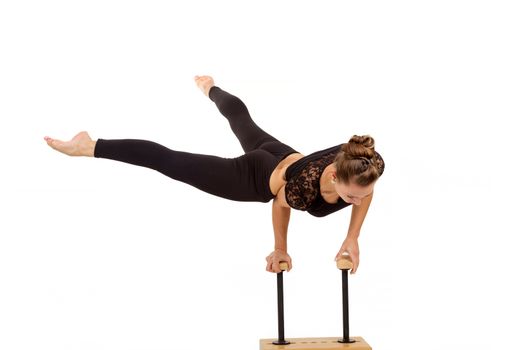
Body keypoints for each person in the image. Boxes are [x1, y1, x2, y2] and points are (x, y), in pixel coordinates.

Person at [44, 75, 385, 274]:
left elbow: (366, 193)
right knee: (172, 161)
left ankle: (210, 87)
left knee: (241, 120)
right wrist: (280, 248)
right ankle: (90, 145)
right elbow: (280, 205)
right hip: (255, 175)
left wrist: (353, 237)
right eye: (350, 195)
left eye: (360, 193)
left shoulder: (365, 164)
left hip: (281, 153)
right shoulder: (303, 188)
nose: (357, 200)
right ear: (334, 178)